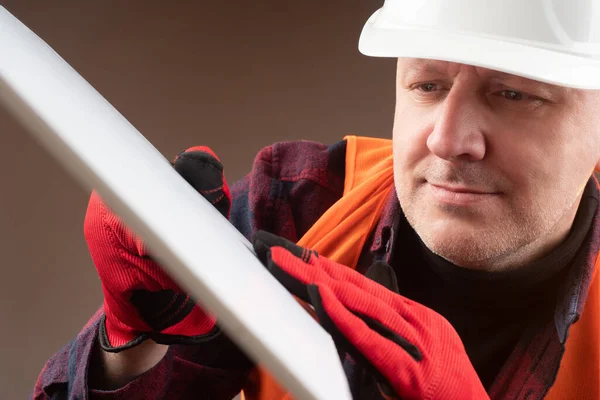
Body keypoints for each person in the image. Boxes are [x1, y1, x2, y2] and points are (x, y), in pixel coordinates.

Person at [32, 0, 600, 399]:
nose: (448, 140)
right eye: (427, 85)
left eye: (514, 94)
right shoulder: (305, 206)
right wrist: (133, 343)